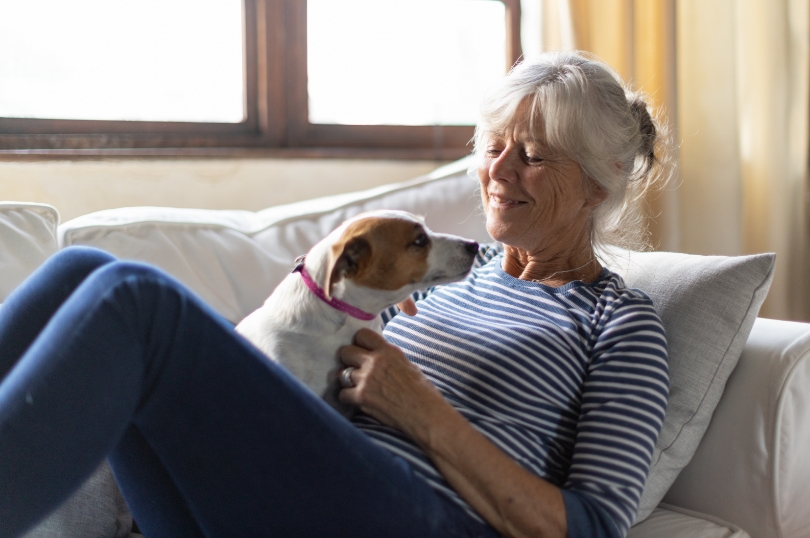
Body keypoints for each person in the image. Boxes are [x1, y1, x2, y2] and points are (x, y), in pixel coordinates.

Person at [0, 51, 669, 538]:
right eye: (495, 144)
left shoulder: (620, 324)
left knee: (134, 298)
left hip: (418, 518)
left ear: (597, 184)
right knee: (81, 273)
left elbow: (591, 527)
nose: (497, 170)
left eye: (533, 155)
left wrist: (419, 410)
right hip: (294, 491)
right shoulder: (447, 275)